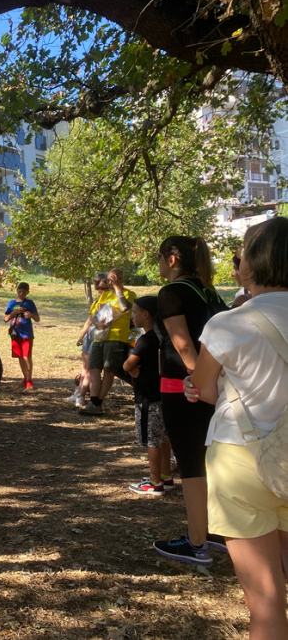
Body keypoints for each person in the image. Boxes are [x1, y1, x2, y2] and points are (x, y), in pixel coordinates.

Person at [185, 217, 288, 637]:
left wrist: (202, 387)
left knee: (266, 604)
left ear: (249, 265)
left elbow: (205, 389)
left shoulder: (228, 324)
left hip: (240, 457)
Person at [152, 236, 226, 565]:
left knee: (192, 465)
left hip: (183, 390)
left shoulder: (172, 293)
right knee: (208, 461)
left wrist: (198, 382)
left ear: (171, 259)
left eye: (159, 257)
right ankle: (213, 530)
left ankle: (198, 542)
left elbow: (183, 347)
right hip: (214, 388)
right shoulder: (210, 293)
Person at [122, 296, 173, 496]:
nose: (133, 316)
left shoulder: (145, 340)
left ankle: (155, 482)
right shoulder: (164, 337)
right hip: (162, 395)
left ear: (146, 314)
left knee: (151, 440)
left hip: (146, 399)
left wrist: (131, 368)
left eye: (135, 312)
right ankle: (166, 476)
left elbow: (127, 365)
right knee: (164, 437)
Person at [79, 268, 136, 415]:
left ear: (121, 278)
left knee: (109, 370)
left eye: (114, 279)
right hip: (100, 335)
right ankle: (93, 401)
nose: (110, 282)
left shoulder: (129, 294)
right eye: (110, 279)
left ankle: (97, 403)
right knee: (94, 368)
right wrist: (98, 324)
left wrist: (118, 289)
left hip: (116, 337)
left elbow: (125, 308)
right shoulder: (105, 295)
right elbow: (94, 315)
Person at [67, 273, 109, 408]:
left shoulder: (109, 299)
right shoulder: (97, 300)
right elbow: (90, 319)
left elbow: (104, 322)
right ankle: (78, 393)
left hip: (99, 336)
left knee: (91, 369)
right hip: (90, 335)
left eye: (98, 282)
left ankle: (81, 396)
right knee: (85, 367)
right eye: (95, 282)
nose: (96, 285)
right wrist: (81, 336)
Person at [3, 282, 40, 390]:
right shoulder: (11, 303)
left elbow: (37, 319)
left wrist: (31, 315)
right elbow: (5, 319)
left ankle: (29, 380)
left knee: (26, 356)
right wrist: (14, 313)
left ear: (28, 292)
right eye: (20, 291)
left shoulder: (30, 303)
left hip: (27, 334)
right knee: (20, 357)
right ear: (17, 290)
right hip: (15, 334)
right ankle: (25, 378)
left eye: (24, 291)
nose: (21, 293)